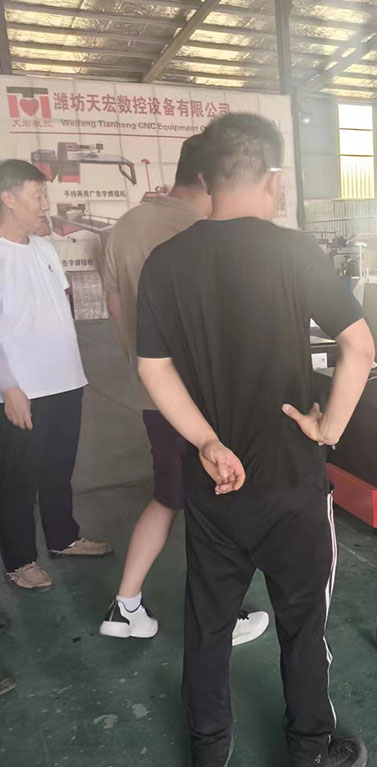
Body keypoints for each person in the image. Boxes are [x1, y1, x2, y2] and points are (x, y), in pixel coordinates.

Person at [136, 113, 374, 767]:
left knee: (208, 625)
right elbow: (359, 347)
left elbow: (154, 368)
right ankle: (309, 760)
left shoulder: (165, 262)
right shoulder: (292, 251)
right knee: (303, 625)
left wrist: (206, 441)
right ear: (274, 179)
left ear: (206, 179)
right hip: (292, 482)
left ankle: (207, 762)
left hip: (216, 483)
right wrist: (328, 428)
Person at [100, 135, 269, 646]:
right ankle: (222, 618)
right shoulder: (202, 230)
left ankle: (125, 605)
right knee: (217, 504)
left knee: (168, 496)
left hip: (154, 394)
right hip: (204, 400)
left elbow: (116, 309)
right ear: (207, 177)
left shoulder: (125, 227)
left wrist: (146, 371)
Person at [0, 159, 111, 591]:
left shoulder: (44, 248)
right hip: (23, 389)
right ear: (8, 198)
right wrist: (8, 385)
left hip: (65, 379)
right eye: (38, 195)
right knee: (17, 478)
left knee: (58, 467)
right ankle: (20, 560)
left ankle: (64, 538)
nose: (46, 204)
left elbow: (64, 300)